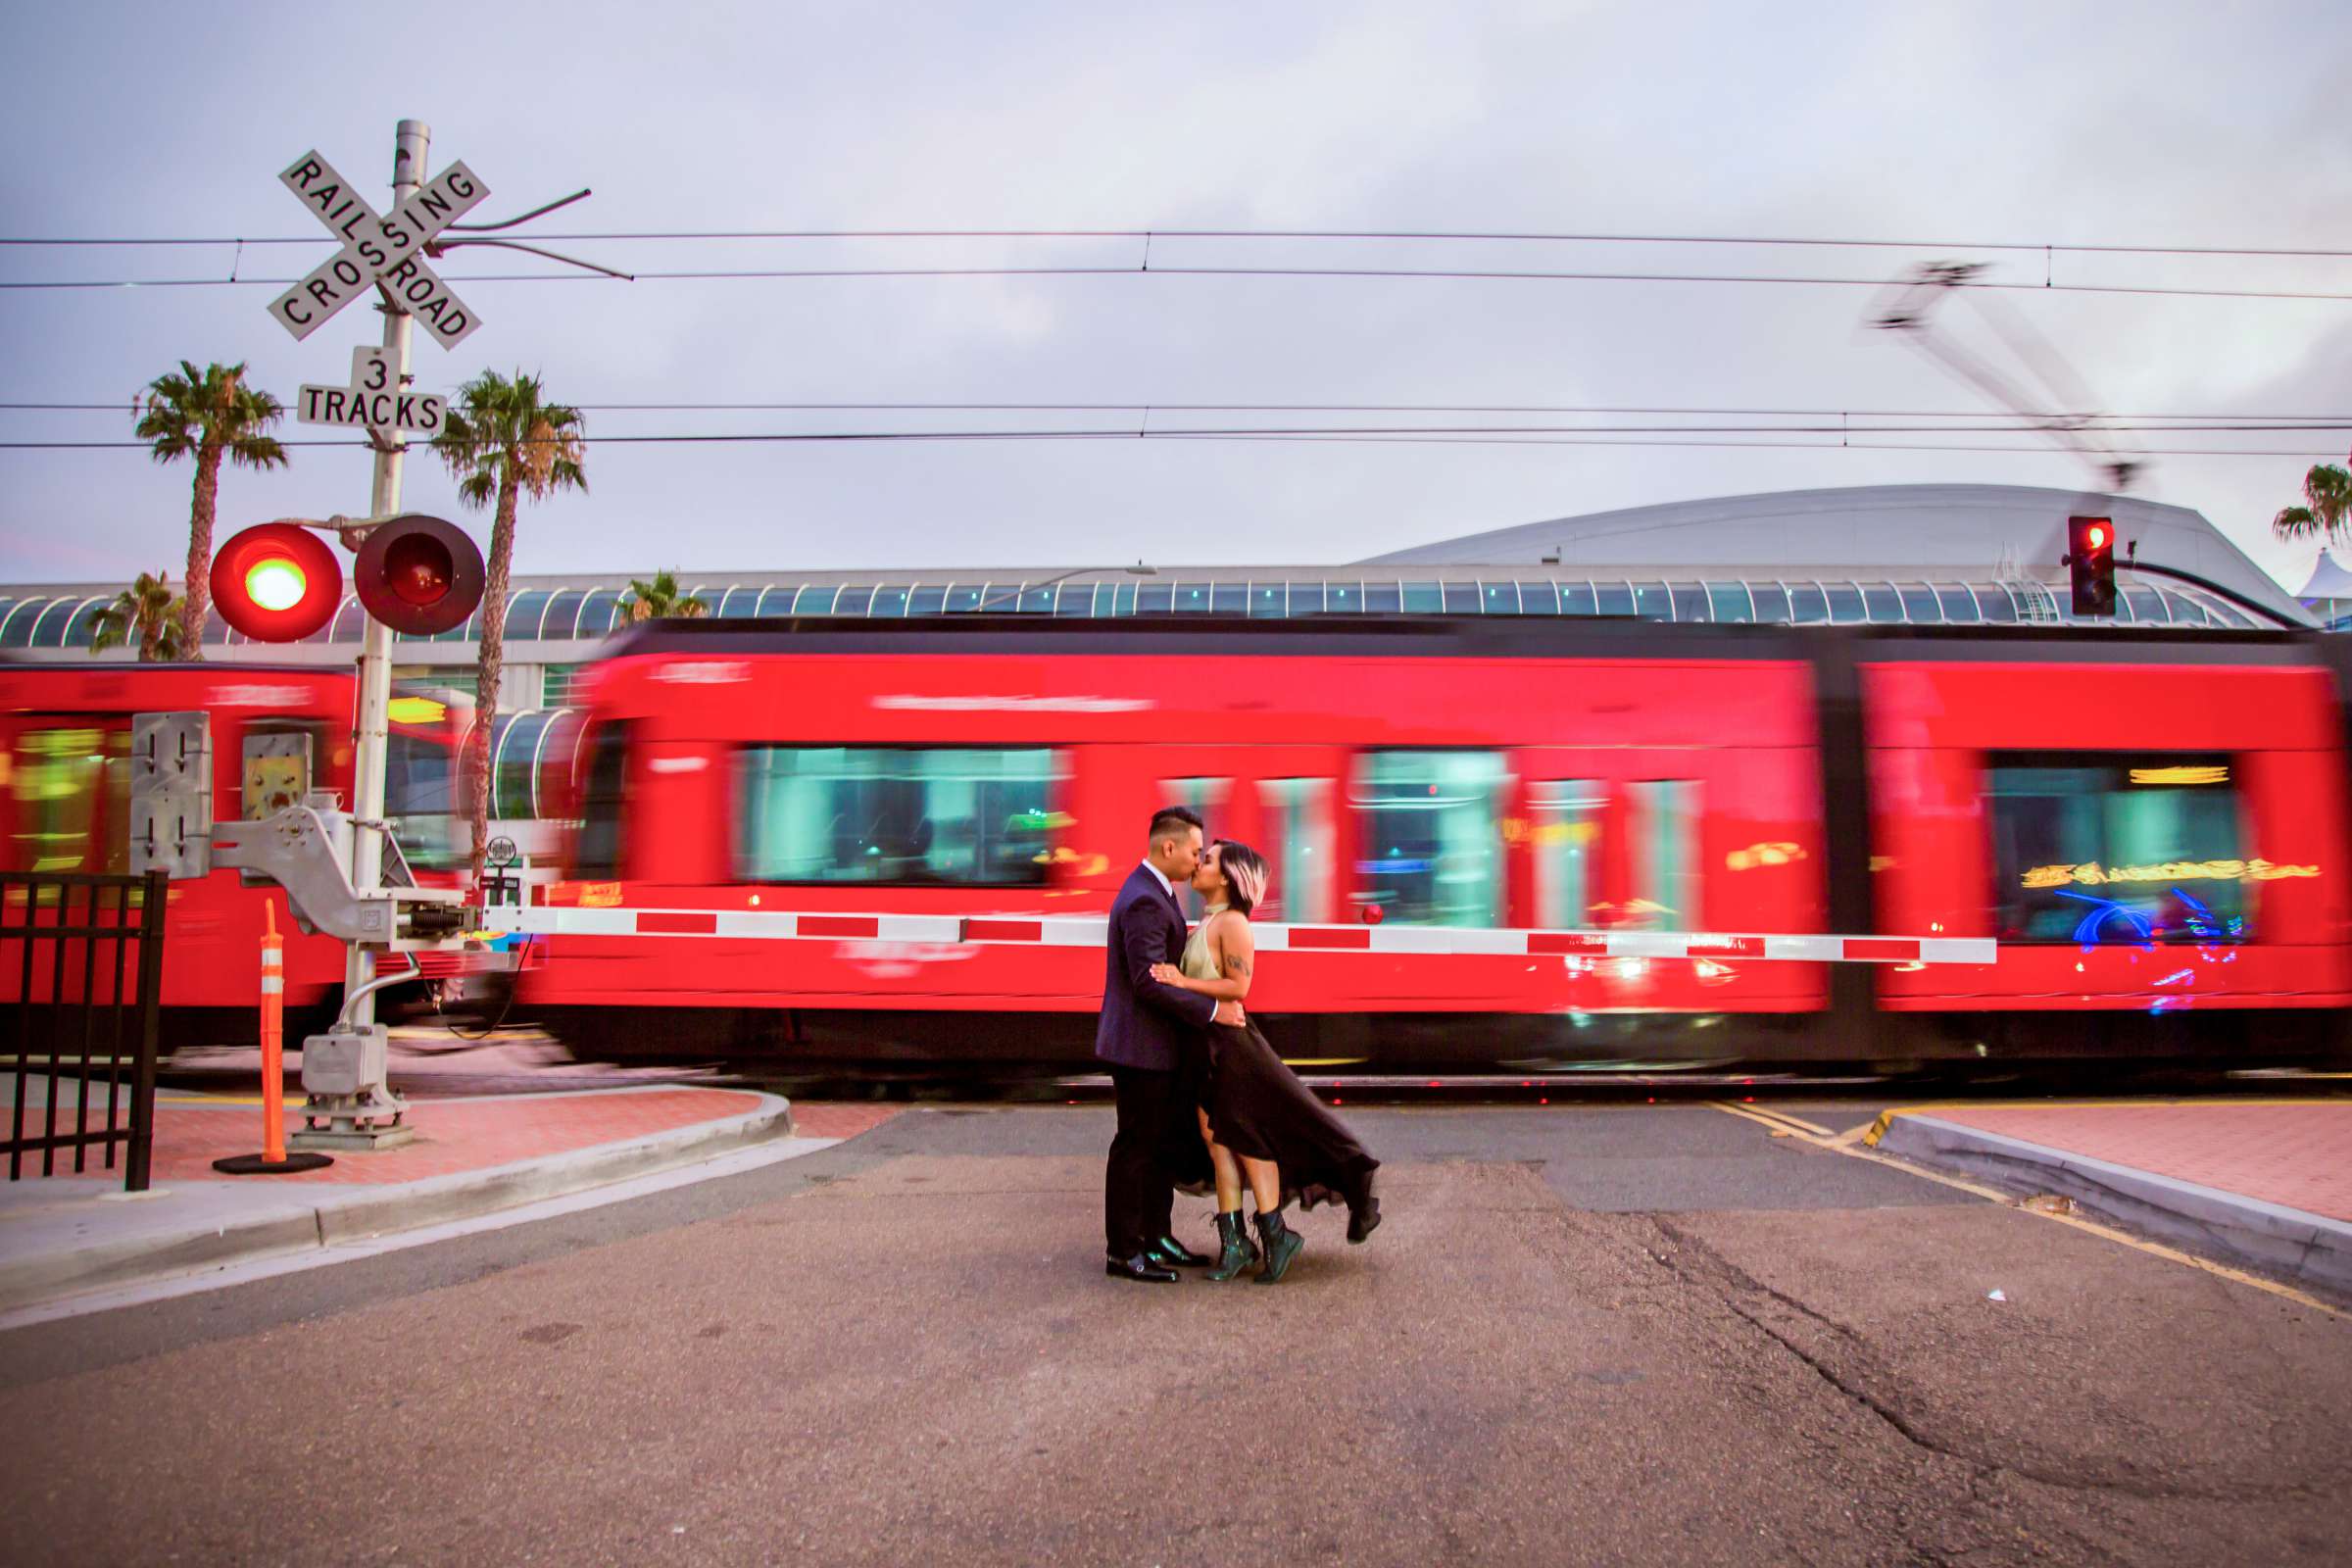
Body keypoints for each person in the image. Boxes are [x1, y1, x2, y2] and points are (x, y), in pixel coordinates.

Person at [1152, 840, 1382, 1283]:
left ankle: (1277, 1235)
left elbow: (1238, 986)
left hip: (1230, 1046)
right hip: (1204, 1045)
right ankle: (1235, 1243)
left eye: (1208, 860)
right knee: (1218, 1144)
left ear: (1226, 877)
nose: (1198, 865)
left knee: (1247, 1142)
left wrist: (1181, 980)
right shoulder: (1209, 922)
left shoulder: (1233, 923)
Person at [1098, 806, 1248, 1284]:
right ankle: (1124, 1251)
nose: (1196, 859)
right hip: (1140, 1050)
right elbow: (1147, 982)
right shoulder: (1144, 900)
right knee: (1135, 1149)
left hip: (1154, 1048)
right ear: (1169, 847)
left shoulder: (1156, 893)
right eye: (1193, 850)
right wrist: (1211, 1010)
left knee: (1157, 1147)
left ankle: (1156, 1237)